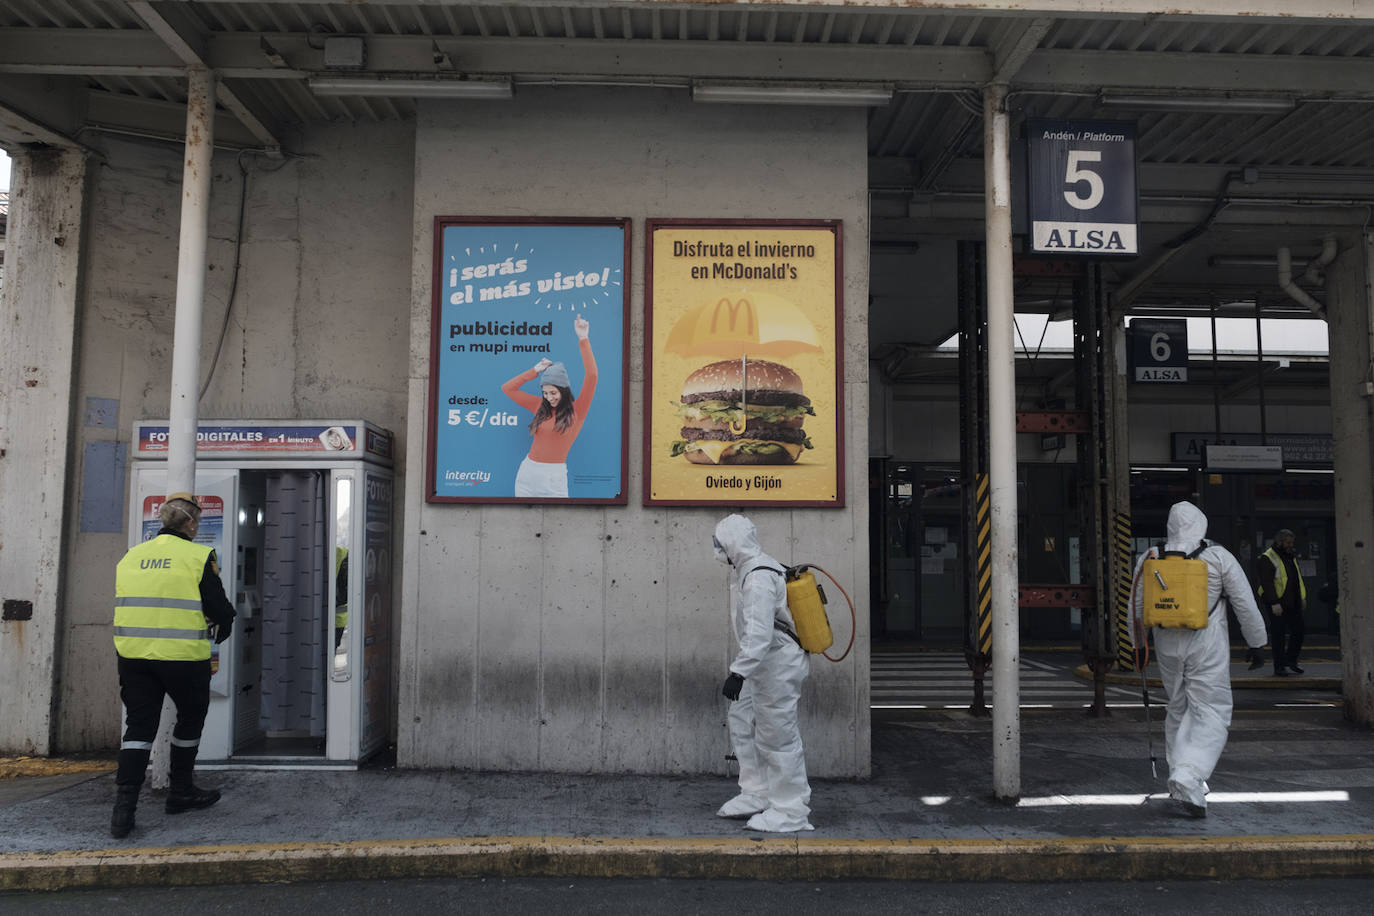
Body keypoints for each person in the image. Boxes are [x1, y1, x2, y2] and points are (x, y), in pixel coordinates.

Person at [1131, 501, 1268, 818]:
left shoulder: (1150, 557)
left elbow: (1135, 607)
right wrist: (1257, 642)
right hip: (1205, 643)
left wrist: (1138, 644)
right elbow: (1244, 603)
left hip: (1166, 644)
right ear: (1202, 525)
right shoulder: (1218, 556)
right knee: (1211, 710)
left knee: (1178, 706)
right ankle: (1189, 776)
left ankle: (1182, 777)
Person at [110, 492, 236, 839]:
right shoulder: (197, 555)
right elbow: (217, 603)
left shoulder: (132, 555)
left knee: (138, 728)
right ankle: (181, 791)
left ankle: (124, 811)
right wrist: (228, 620)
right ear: (191, 523)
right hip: (182, 656)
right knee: (191, 717)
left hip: (134, 655)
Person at [713, 513, 814, 832]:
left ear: (731, 543)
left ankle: (790, 809)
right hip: (763, 662)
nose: (716, 550)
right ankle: (757, 792)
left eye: (719, 543)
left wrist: (737, 673)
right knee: (743, 720)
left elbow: (759, 634)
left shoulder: (757, 575)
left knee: (778, 735)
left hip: (776, 664)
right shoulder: (750, 568)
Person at [500, 314, 596, 498]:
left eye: (553, 393)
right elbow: (508, 389)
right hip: (528, 473)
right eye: (545, 392)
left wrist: (583, 338)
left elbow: (592, 376)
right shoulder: (539, 406)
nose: (548, 397)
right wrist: (534, 370)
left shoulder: (578, 410)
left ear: (564, 390)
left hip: (554, 478)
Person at [1255, 528, 1307, 676]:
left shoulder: (1290, 556)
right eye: (1288, 542)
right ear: (1279, 542)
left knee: (1299, 631)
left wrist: (1301, 598)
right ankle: (1279, 666)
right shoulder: (1268, 557)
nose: (1291, 545)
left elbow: (1296, 579)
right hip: (1277, 602)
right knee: (1278, 635)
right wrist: (1274, 603)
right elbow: (1267, 582)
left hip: (1293, 601)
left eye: (1292, 542)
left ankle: (1290, 660)